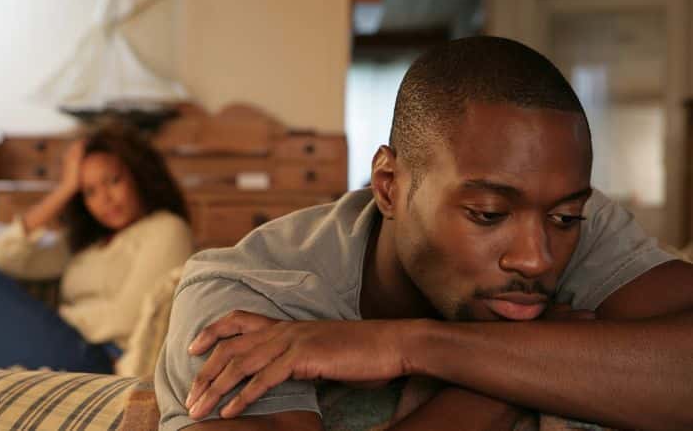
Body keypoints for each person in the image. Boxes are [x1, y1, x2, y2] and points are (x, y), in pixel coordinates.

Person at [154, 36, 693, 431]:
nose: (536, 259)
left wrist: (410, 344)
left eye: (565, 217)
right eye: (487, 213)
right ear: (389, 186)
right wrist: (496, 389)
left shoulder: (562, 224)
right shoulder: (251, 297)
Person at [0, 120, 194, 379]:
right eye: (89, 192)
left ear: (138, 175)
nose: (106, 200)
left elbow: (129, 318)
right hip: (68, 346)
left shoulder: (166, 229)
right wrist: (64, 189)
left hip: (98, 363)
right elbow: (5, 256)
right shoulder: (86, 244)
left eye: (113, 181)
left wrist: (61, 320)